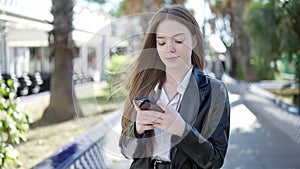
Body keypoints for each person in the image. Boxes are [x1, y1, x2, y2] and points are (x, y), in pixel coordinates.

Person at [119, 4, 230, 169]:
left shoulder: (214, 91)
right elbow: (126, 151)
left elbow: (214, 160)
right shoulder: (145, 86)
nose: (169, 49)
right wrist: (137, 129)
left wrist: (182, 130)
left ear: (193, 40)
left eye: (178, 40)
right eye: (161, 42)